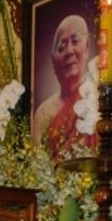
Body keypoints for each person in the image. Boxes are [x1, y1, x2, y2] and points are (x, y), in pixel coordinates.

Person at [32, 15, 97, 159]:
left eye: (75, 42)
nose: (69, 51)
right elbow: (37, 167)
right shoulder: (44, 112)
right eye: (61, 47)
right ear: (53, 60)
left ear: (87, 47)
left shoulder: (98, 99)